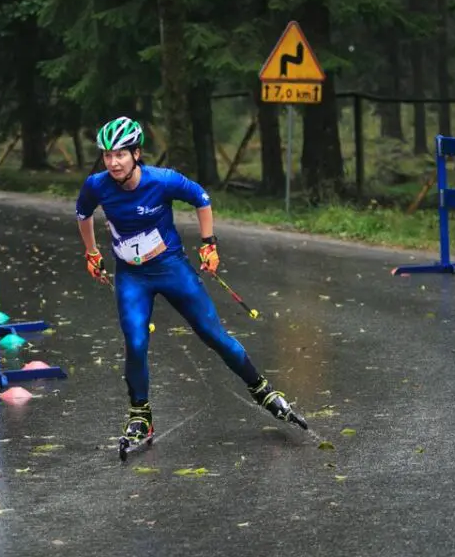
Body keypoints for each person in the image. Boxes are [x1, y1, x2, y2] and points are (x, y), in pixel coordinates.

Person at [75, 116, 306, 443]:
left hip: (171, 268)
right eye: (108, 155)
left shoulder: (163, 180)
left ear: (137, 154)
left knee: (213, 335)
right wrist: (92, 252)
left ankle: (262, 390)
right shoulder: (96, 185)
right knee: (136, 342)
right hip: (132, 276)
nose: (112, 162)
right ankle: (141, 414)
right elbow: (82, 214)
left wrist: (209, 244)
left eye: (120, 154)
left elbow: (202, 198)